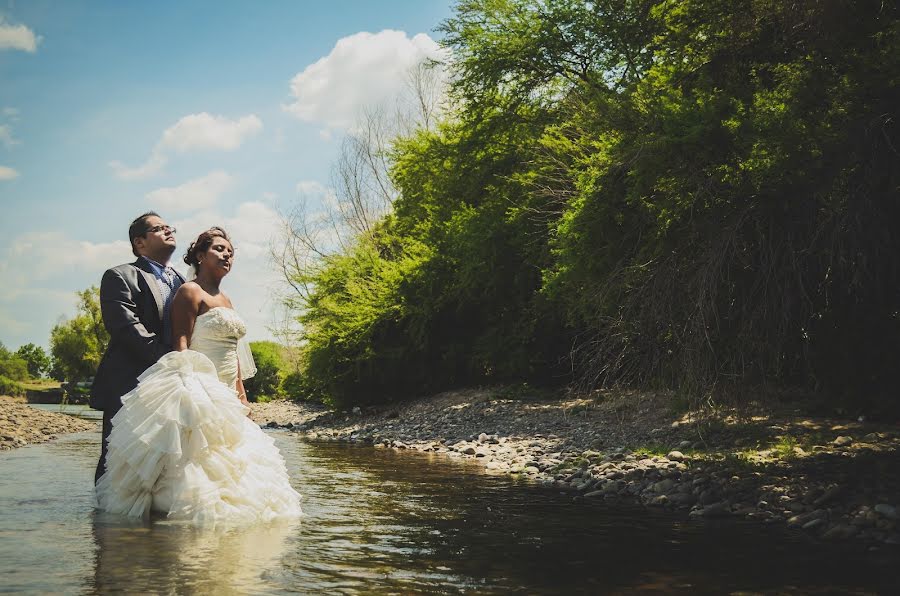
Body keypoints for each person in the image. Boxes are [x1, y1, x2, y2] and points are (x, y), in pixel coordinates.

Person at [95, 227, 302, 523]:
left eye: (230, 252)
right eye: (219, 249)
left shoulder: (227, 299)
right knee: (195, 452)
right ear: (201, 256)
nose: (226, 255)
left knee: (233, 454)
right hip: (201, 382)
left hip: (228, 387)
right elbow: (181, 342)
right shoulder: (189, 290)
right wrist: (187, 383)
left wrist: (241, 393)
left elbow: (234, 352)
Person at [91, 212, 185, 484]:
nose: (169, 231)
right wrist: (170, 362)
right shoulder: (119, 276)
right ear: (139, 242)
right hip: (129, 385)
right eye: (159, 228)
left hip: (175, 387)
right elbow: (126, 328)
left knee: (166, 459)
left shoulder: (184, 282)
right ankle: (104, 523)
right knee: (116, 460)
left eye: (170, 227)